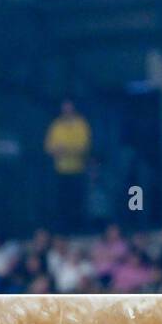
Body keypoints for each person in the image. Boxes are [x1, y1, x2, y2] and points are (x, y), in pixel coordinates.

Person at [44, 99, 91, 233]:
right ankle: (65, 229)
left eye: (69, 107)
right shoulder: (56, 125)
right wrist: (62, 150)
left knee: (78, 201)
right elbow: (49, 147)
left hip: (78, 169)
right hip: (61, 170)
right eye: (65, 107)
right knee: (63, 202)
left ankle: (79, 228)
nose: (67, 110)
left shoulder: (81, 124)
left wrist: (66, 149)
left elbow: (84, 146)